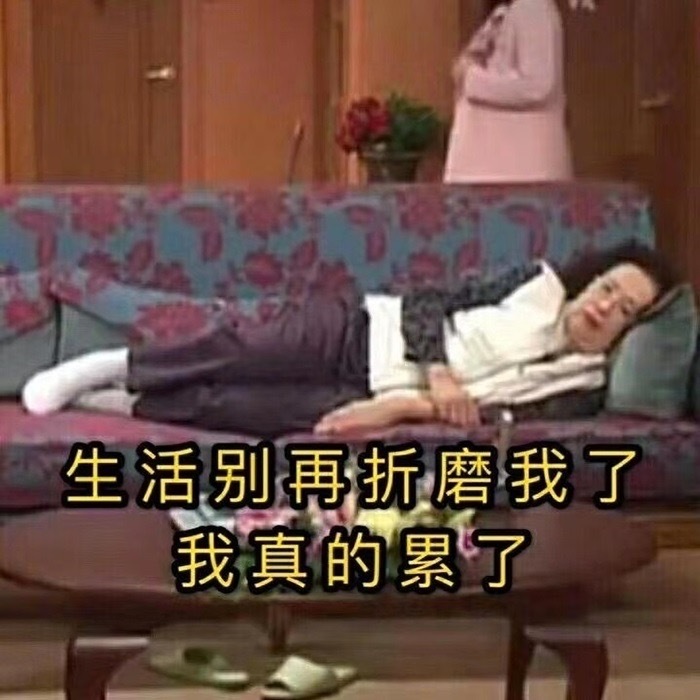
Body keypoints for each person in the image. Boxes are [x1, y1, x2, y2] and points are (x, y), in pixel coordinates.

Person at [21, 242, 676, 438]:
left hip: (377, 393)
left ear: (629, 329)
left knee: (243, 411)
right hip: (363, 330)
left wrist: (403, 407)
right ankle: (104, 365)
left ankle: (121, 402)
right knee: (245, 350)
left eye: (624, 309)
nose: (605, 306)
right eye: (607, 288)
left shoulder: (583, 386)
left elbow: (508, 418)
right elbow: (429, 300)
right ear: (591, 280)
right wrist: (438, 372)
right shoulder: (536, 283)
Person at [444, 0, 573, 183]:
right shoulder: (509, 11)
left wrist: (471, 79)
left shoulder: (533, 8)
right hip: (500, 171)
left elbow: (536, 86)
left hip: (518, 172)